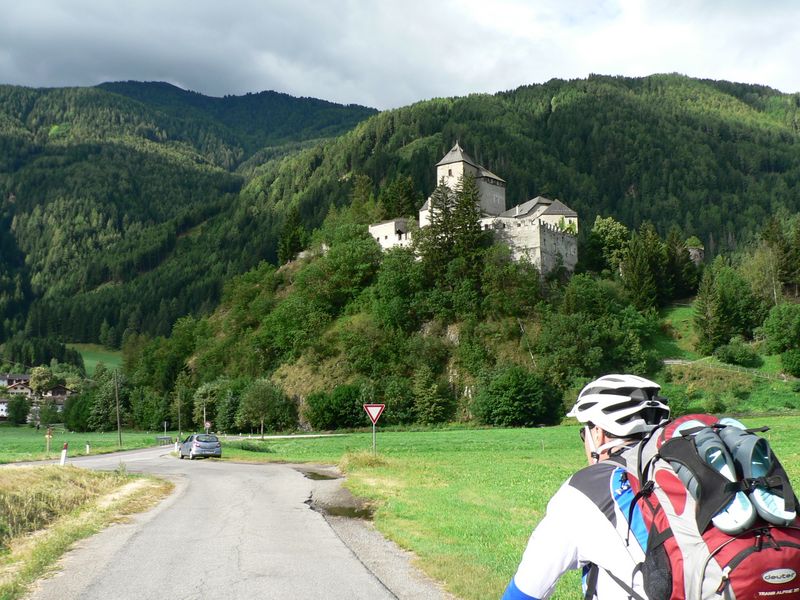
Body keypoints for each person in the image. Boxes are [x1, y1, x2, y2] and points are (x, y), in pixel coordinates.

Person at [502, 374, 671, 600]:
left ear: (597, 433)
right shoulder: (682, 472)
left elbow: (526, 590)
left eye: (585, 433)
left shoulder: (582, 492)